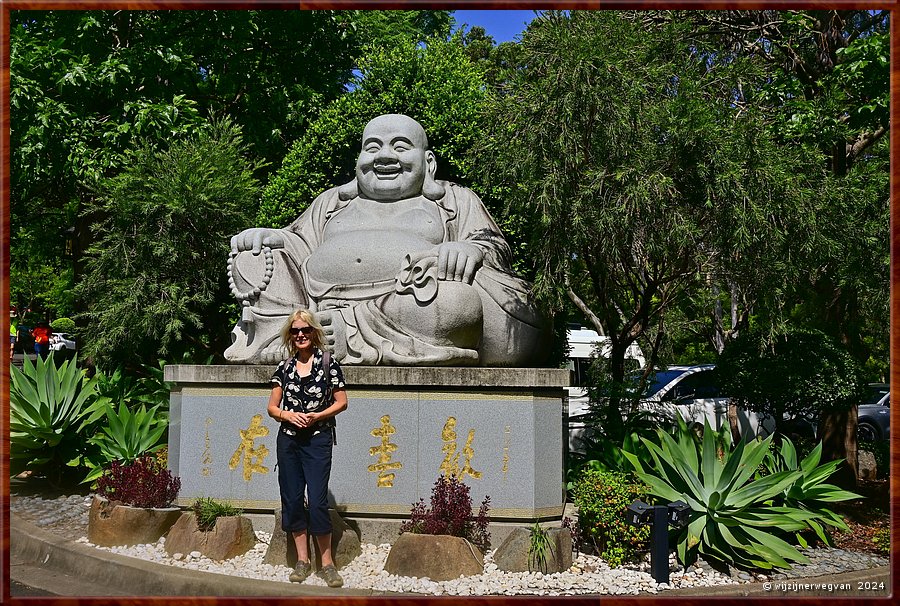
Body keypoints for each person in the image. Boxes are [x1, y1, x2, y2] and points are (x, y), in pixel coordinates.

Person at [226, 113, 549, 366]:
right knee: (252, 257)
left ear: (428, 162)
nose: (384, 156)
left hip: (407, 302)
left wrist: (469, 249)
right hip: (317, 301)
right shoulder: (332, 203)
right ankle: (292, 334)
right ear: (358, 162)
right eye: (372, 147)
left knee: (457, 305)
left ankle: (338, 333)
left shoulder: (454, 200)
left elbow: (494, 248)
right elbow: (299, 241)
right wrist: (272, 238)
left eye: (400, 146)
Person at [266, 309, 348, 587]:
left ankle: (327, 563)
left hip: (317, 439)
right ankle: (302, 561)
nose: (300, 335)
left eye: (305, 330)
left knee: (317, 499)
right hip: (289, 440)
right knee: (291, 498)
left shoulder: (328, 363)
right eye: (295, 331)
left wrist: (318, 415)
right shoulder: (284, 367)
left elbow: (342, 402)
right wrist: (287, 415)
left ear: (314, 333)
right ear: (290, 336)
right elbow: (271, 407)